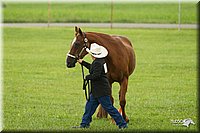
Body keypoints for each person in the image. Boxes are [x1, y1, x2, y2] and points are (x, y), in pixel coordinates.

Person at [73, 43, 127, 129]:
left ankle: (122, 124)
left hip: (101, 91)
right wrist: (83, 63)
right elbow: (93, 68)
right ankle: (84, 124)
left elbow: (96, 75)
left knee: (110, 109)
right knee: (89, 108)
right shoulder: (100, 61)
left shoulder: (97, 63)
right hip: (97, 91)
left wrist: (87, 77)